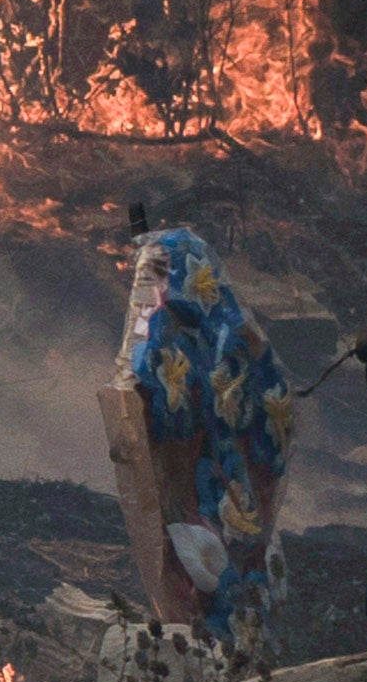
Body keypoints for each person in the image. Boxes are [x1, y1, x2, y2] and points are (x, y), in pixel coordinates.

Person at [117, 216, 294, 649]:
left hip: (215, 487)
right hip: (209, 482)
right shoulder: (211, 337)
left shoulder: (214, 338)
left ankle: (224, 643)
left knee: (208, 578)